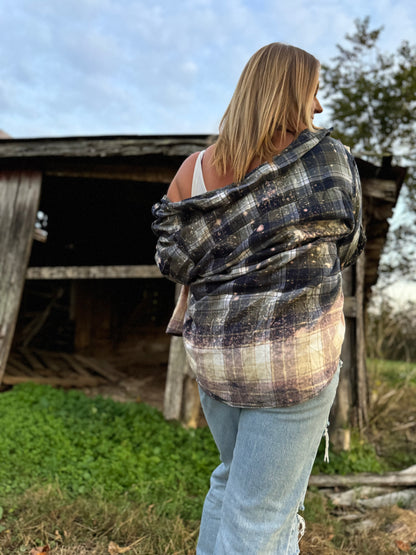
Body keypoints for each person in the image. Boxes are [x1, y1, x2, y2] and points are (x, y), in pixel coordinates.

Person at [152, 42, 365, 554]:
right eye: (313, 92)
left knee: (230, 481)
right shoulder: (327, 161)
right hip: (294, 362)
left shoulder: (194, 171)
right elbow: (349, 245)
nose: (318, 107)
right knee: (262, 514)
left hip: (217, 362)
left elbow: (172, 259)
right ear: (292, 92)